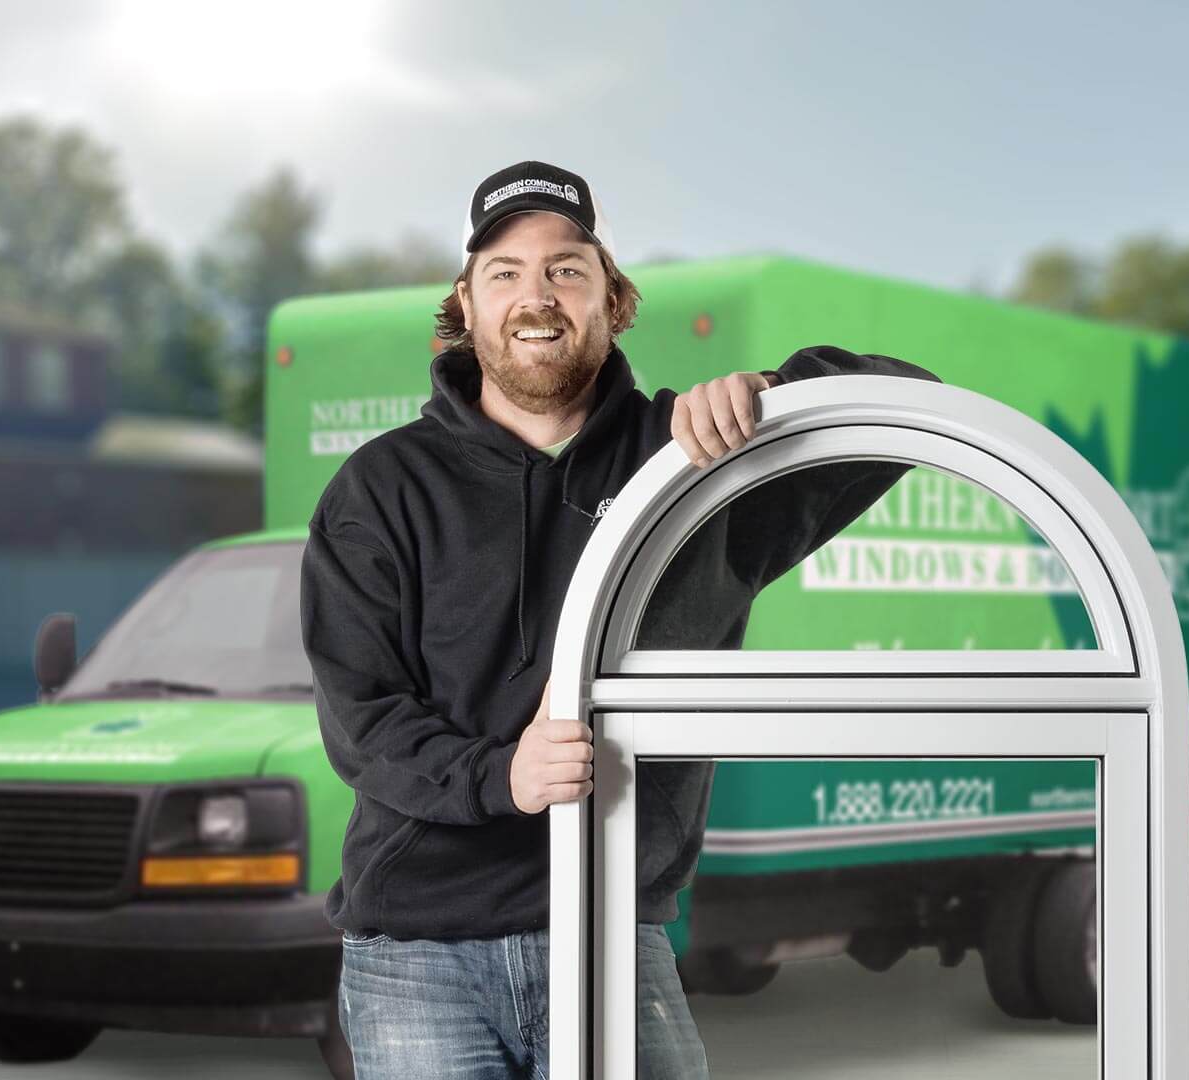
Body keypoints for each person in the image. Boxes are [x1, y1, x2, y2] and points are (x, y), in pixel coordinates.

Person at [300, 160, 942, 1079]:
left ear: (613, 298)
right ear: (466, 304)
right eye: (505, 273)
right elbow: (361, 719)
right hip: (418, 958)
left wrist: (769, 393)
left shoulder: (696, 462)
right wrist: (500, 774)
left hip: (609, 932)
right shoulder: (380, 488)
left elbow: (907, 400)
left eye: (567, 269)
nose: (537, 296)